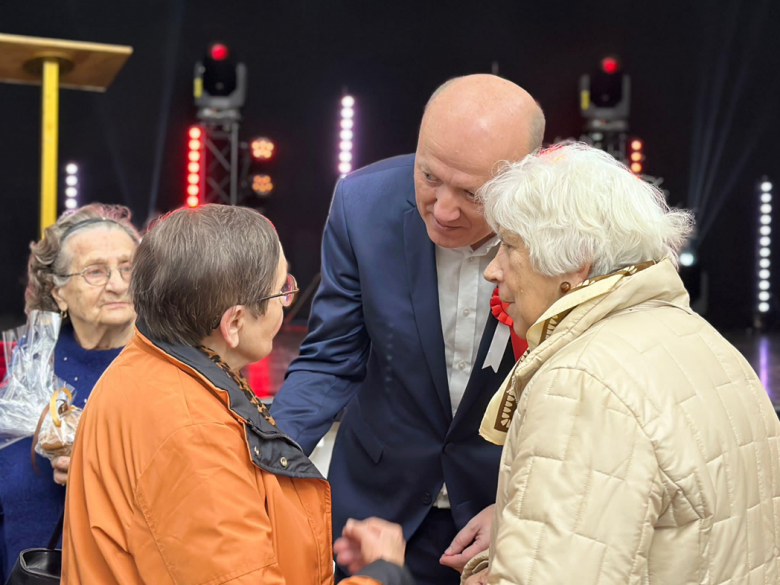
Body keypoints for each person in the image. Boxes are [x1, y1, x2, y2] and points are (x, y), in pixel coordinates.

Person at [460, 143, 780, 584]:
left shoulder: (580, 385)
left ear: (573, 263)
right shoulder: (711, 347)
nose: (492, 271)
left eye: (510, 246)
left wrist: (484, 569)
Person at [270, 74, 546, 584]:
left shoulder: (561, 231)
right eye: (428, 177)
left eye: (472, 193)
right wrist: (261, 459)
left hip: (504, 513)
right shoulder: (363, 203)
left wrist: (520, 505)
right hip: (377, 512)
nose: (442, 210)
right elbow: (331, 358)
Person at [62, 204, 413, 585]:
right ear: (234, 322)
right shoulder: (193, 433)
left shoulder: (147, 366)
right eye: (282, 290)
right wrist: (384, 573)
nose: (285, 301)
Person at [0, 204, 139, 581]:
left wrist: (100, 465)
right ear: (56, 291)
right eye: (96, 271)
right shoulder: (25, 363)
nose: (118, 284)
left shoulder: (165, 366)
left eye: (129, 268)